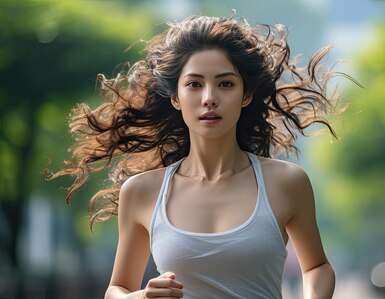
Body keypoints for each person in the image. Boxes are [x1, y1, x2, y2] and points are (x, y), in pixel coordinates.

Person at [49, 14, 353, 298]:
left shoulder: (287, 182)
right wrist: (140, 296)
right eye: (194, 84)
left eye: (225, 84)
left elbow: (317, 267)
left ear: (245, 95)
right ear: (176, 97)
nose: (209, 98)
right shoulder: (141, 192)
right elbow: (117, 288)